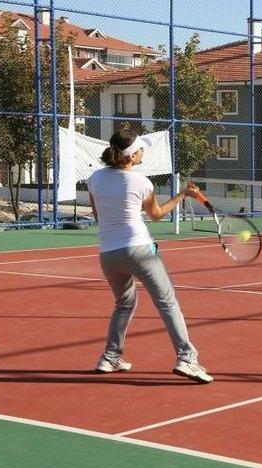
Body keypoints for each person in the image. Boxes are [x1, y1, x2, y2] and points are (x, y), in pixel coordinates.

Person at [87, 129, 213, 384]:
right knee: (168, 302)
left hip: (108, 255)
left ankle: (111, 356)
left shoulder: (93, 179)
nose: (143, 151)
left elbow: (99, 216)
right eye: (140, 149)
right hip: (139, 251)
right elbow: (156, 214)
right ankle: (187, 359)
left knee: (124, 303)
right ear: (132, 156)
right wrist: (182, 194)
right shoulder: (142, 183)